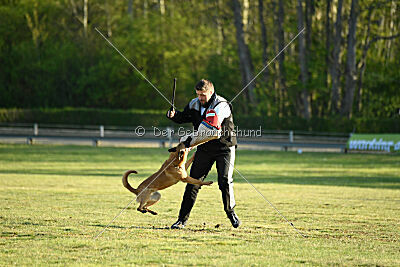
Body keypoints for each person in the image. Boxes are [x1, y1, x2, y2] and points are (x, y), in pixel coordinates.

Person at [166, 79, 241, 229]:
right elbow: (184, 117)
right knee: (192, 183)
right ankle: (181, 220)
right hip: (204, 149)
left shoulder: (222, 105)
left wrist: (187, 143)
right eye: (198, 94)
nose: (200, 98)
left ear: (211, 92)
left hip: (224, 148)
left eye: (203, 95)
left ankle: (230, 211)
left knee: (224, 181)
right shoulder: (194, 103)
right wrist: (174, 116)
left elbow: (211, 132)